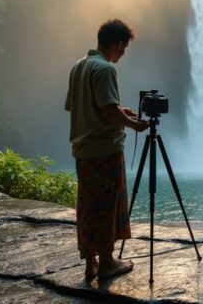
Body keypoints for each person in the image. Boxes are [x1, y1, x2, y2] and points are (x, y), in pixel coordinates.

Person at [65, 19, 149, 280]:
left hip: (83, 149)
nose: (123, 54)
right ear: (116, 44)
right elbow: (110, 114)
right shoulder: (105, 69)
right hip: (104, 150)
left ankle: (90, 264)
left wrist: (119, 111)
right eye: (123, 48)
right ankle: (108, 263)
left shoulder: (78, 66)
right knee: (107, 206)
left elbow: (80, 106)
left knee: (88, 206)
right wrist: (133, 124)